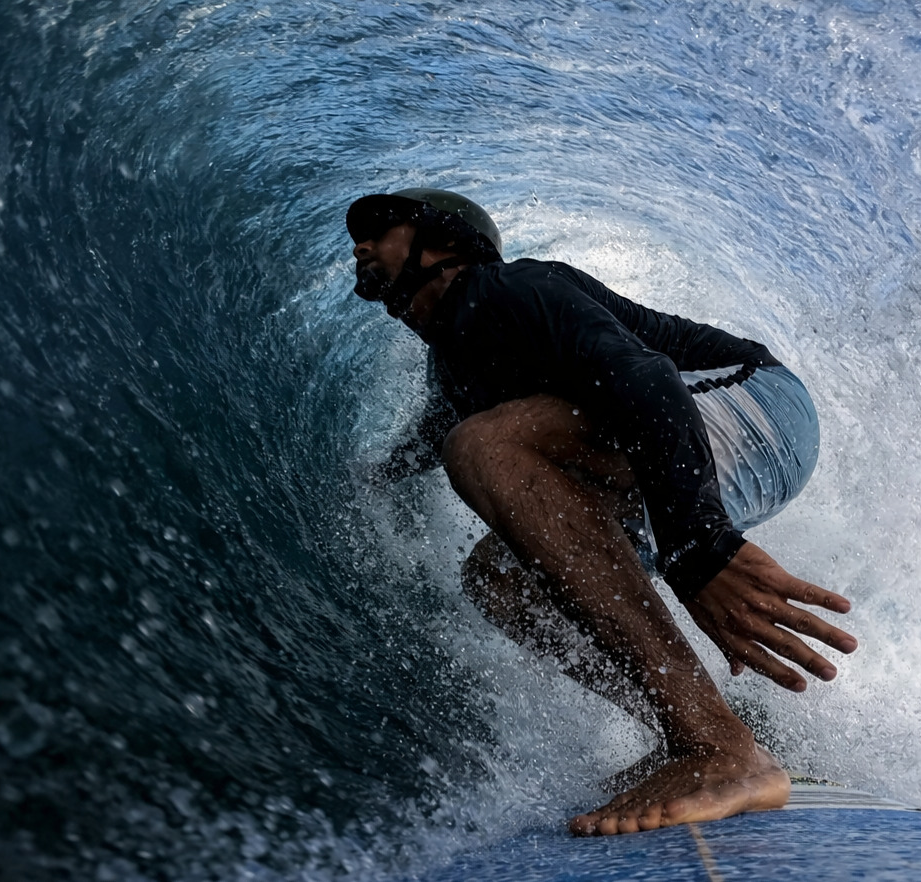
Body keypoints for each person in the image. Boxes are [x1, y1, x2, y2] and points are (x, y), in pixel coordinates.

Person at [347, 187, 858, 836]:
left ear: (444, 242)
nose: (360, 244)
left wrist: (697, 550)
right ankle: (699, 729)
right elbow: (429, 435)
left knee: (485, 444)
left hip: (753, 402)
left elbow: (646, 378)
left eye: (381, 227)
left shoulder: (505, 288)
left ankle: (716, 749)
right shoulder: (451, 360)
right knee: (497, 580)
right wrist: (371, 477)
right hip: (686, 441)